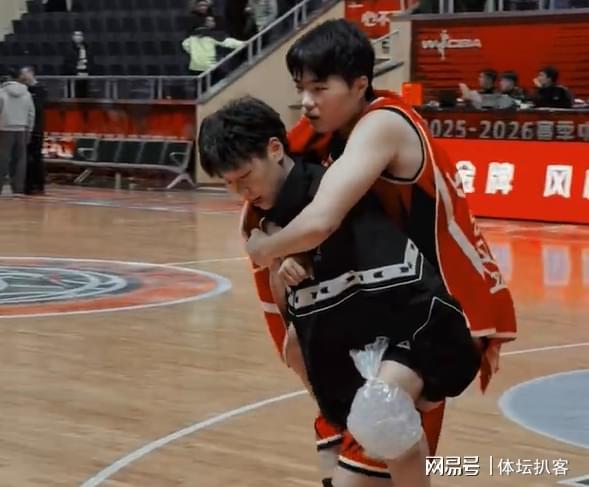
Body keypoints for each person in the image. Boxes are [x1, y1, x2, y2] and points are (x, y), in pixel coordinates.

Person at [243, 18, 517, 485]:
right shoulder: (332, 133)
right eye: (300, 88)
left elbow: (321, 219)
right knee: (332, 412)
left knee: (379, 421)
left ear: (359, 84)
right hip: (388, 311)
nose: (306, 102)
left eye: (319, 88)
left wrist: (263, 245)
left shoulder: (383, 124)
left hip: (440, 311)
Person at [198, 96, 482, 487]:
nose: (241, 191)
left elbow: (324, 227)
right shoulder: (263, 222)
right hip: (350, 355)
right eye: (229, 184)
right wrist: (283, 261)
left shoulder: (333, 188)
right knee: (342, 409)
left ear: (275, 149)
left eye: (245, 176)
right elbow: (291, 318)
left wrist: (279, 249)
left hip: (415, 328)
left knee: (381, 417)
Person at [0, 67, 35, 195]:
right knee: (20, 160)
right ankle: (18, 188)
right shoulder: (27, 93)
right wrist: (29, 130)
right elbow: (31, 113)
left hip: (4, 128)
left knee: (2, 159)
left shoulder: (1, 92)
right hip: (22, 129)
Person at [18, 66, 47, 195]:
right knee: (26, 157)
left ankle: (38, 184)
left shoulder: (40, 90)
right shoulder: (24, 90)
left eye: (24, 74)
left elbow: (38, 108)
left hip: (36, 128)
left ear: (31, 74)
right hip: (25, 127)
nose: (23, 77)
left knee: (36, 157)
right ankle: (28, 185)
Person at [62, 31, 93, 98]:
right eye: (76, 35)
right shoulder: (68, 49)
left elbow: (91, 62)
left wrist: (88, 72)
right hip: (73, 77)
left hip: (85, 77)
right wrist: (76, 73)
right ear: (73, 37)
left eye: (80, 35)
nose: (78, 37)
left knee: (84, 96)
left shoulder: (87, 48)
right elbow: (67, 64)